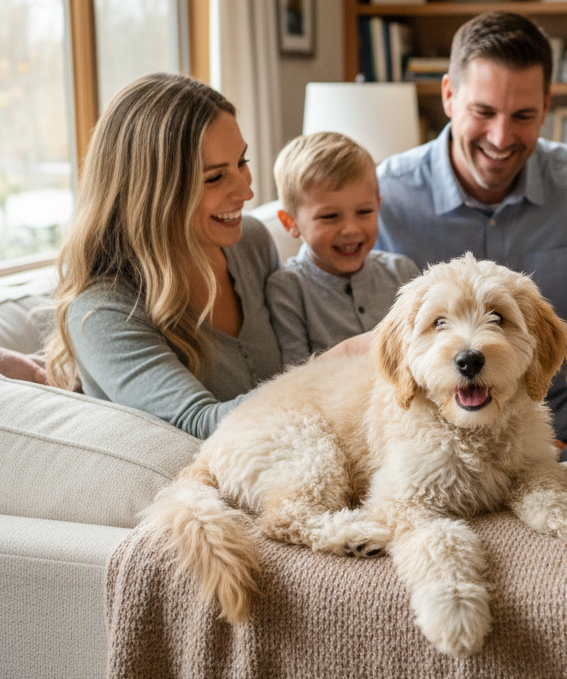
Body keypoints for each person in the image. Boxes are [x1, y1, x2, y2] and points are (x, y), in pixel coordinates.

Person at [374, 10, 567, 459]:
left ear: (546, 105)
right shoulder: (384, 195)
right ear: (449, 95)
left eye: (522, 115)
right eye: (483, 112)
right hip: (441, 430)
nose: (501, 137)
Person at [46, 73, 283, 439]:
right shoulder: (102, 312)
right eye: (215, 177)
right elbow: (201, 426)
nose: (247, 190)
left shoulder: (251, 241)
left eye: (242, 162)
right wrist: (325, 373)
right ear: (155, 194)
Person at [266, 131, 419, 367]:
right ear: (290, 223)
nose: (350, 229)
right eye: (330, 216)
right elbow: (295, 379)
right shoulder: (287, 289)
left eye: (364, 212)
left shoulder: (402, 271)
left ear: (377, 206)